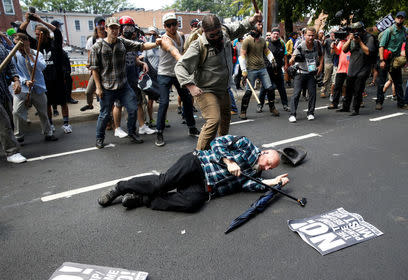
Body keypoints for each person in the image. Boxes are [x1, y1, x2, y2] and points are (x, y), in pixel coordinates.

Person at [97, 135, 289, 212]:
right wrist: (228, 162)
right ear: (264, 153)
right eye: (269, 163)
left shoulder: (256, 175)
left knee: (192, 203)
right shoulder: (246, 145)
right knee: (162, 183)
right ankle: (120, 188)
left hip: (205, 187)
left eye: (271, 168)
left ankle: (142, 199)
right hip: (197, 164)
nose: (268, 168)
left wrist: (272, 182)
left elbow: (247, 186)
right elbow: (217, 142)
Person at [175, 13, 260, 150]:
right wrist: (190, 86)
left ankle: (220, 149)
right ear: (204, 32)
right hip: (205, 90)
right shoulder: (198, 46)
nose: (216, 38)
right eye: (212, 35)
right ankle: (199, 157)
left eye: (218, 33)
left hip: (223, 88)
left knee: (225, 119)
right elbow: (180, 66)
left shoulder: (225, 34)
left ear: (220, 28)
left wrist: (253, 20)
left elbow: (240, 27)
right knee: (214, 120)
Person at [89, 17, 161, 149]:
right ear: (106, 29)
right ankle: (99, 138)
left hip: (123, 85)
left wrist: (157, 43)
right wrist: (98, 88)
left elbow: (141, 46)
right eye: (112, 28)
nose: (115, 31)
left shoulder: (122, 42)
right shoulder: (97, 47)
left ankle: (132, 133)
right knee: (104, 114)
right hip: (107, 86)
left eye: (117, 28)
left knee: (133, 108)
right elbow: (94, 69)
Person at [19, 12, 74, 134]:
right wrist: (28, 20)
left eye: (40, 34)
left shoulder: (55, 44)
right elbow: (21, 31)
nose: (38, 36)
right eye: (36, 34)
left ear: (45, 34)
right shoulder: (35, 44)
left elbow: (57, 32)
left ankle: (66, 124)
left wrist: (41, 20)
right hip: (44, 79)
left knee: (63, 102)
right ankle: (50, 124)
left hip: (58, 77)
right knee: (47, 104)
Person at [155, 13, 200, 147]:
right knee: (163, 103)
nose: (172, 27)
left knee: (187, 99)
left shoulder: (180, 35)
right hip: (164, 74)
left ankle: (192, 127)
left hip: (177, 73)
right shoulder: (164, 39)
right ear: (165, 27)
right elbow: (173, 50)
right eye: (169, 25)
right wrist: (182, 61)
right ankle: (159, 132)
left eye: (174, 23)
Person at [112, 16, 155, 138]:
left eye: (130, 27)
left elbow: (135, 57)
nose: (129, 30)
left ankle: (142, 126)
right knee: (118, 104)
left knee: (138, 102)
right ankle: (117, 128)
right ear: (120, 28)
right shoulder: (118, 42)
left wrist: (142, 63)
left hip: (132, 76)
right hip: (121, 77)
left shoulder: (133, 41)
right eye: (126, 27)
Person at [11, 33, 58, 143]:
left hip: (38, 88)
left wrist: (30, 56)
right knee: (16, 112)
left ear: (26, 42)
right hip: (22, 88)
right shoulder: (13, 55)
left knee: (43, 112)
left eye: (21, 44)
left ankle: (48, 133)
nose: (19, 47)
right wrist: (24, 81)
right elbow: (14, 72)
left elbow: (42, 67)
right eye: (16, 45)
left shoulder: (37, 53)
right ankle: (18, 135)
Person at [239, 21, 280, 119]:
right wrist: (243, 70)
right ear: (253, 28)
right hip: (251, 70)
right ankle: (243, 111)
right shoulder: (247, 41)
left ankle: (272, 107)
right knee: (248, 92)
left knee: (270, 89)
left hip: (262, 68)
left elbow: (267, 52)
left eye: (261, 25)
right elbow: (242, 55)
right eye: (259, 25)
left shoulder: (262, 40)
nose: (261, 26)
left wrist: (272, 60)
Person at [339, 22, 377, 115]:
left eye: (357, 31)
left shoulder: (369, 38)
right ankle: (345, 107)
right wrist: (349, 40)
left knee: (358, 89)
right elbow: (344, 50)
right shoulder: (352, 37)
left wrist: (359, 42)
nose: (355, 33)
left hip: (364, 67)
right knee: (348, 88)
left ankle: (356, 109)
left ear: (362, 30)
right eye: (354, 31)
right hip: (352, 66)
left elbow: (368, 52)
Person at [376, 11, 408, 110]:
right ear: (395, 19)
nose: (400, 19)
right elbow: (381, 46)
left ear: (404, 19)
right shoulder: (389, 31)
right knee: (381, 82)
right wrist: (382, 60)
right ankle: (379, 102)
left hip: (395, 60)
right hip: (385, 59)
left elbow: (405, 41)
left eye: (402, 18)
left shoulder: (403, 31)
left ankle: (401, 103)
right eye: (398, 17)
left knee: (398, 82)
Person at [288, 27, 323, 122]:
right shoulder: (300, 45)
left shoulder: (318, 44)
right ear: (305, 35)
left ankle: (310, 113)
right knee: (296, 94)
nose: (311, 37)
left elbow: (321, 55)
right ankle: (292, 114)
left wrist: (320, 66)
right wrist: (292, 60)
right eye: (309, 35)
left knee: (312, 94)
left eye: (312, 35)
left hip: (311, 73)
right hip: (300, 73)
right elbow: (292, 58)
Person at [0, 43, 27, 163]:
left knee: (9, 119)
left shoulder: (0, 46)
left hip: (3, 91)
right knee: (3, 121)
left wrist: (16, 80)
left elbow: (9, 65)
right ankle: (12, 151)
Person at [258, 28, 289, 111]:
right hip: (267, 70)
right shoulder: (266, 43)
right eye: (274, 34)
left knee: (281, 88)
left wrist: (286, 64)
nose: (276, 35)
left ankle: (285, 104)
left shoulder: (282, 43)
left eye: (277, 34)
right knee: (264, 88)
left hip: (278, 69)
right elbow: (260, 55)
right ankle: (260, 105)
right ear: (271, 34)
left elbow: (285, 54)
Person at [81, 16, 106, 112]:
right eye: (99, 24)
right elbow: (89, 57)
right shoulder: (92, 40)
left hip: (107, 70)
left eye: (103, 24)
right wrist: (89, 65)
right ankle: (90, 104)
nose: (101, 26)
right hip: (96, 71)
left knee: (104, 95)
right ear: (95, 26)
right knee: (88, 91)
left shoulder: (109, 37)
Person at [327, 34, 350, 109]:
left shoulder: (353, 41)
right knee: (337, 86)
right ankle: (334, 103)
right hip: (341, 68)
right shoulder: (341, 42)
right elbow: (337, 52)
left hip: (351, 68)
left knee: (353, 86)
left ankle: (359, 102)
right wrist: (334, 47)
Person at [320, 31, 335, 98]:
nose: (334, 34)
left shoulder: (337, 40)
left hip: (335, 61)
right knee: (326, 77)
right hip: (328, 61)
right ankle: (323, 91)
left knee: (333, 78)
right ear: (330, 34)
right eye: (333, 33)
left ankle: (330, 91)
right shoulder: (327, 40)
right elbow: (322, 44)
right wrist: (323, 39)